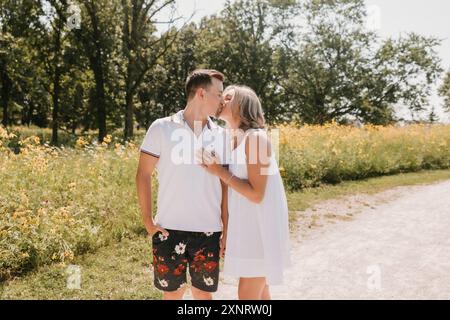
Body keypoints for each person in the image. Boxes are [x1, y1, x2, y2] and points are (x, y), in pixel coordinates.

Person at [135, 69, 229, 300]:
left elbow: (226, 185)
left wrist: (227, 227)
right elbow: (143, 174)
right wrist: (148, 220)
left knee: (203, 295)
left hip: (209, 230)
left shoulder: (222, 135)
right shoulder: (161, 128)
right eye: (218, 94)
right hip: (169, 229)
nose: (222, 100)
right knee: (172, 295)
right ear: (201, 94)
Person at [198, 85, 291, 300]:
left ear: (244, 105)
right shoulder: (234, 141)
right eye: (222, 95)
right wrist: (228, 232)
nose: (222, 99)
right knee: (261, 293)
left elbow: (257, 194)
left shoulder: (256, 138)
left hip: (261, 228)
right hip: (247, 227)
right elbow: (233, 192)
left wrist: (219, 171)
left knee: (247, 296)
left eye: (228, 97)